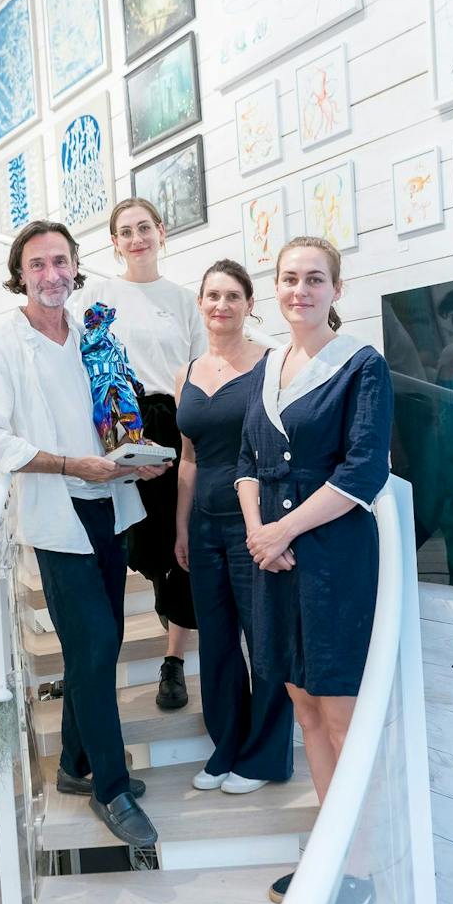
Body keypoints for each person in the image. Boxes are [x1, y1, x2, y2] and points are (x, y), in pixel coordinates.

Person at [0, 219, 166, 848]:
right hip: (61, 514)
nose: (51, 275)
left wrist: (138, 455)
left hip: (109, 502)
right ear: (20, 275)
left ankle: (77, 764)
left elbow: (115, 407)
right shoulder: (5, 345)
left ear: (76, 266)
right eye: (37, 266)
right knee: (97, 643)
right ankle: (111, 787)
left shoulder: (92, 333)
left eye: (60, 262)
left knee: (95, 647)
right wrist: (67, 464)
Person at [236, 236, 393, 904]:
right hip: (276, 558)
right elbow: (246, 460)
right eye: (289, 278)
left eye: (315, 279)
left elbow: (364, 473)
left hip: (330, 558)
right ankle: (330, 855)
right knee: (302, 705)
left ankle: (357, 871)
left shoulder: (361, 366)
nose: (300, 289)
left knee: (341, 717)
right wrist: (257, 533)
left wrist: (284, 531)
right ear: (276, 287)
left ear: (336, 288)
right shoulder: (271, 366)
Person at [72, 197, 207, 712]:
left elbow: (200, 366)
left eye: (144, 228)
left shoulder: (183, 299)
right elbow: (89, 362)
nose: (136, 239)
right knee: (143, 546)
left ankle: (173, 661)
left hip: (177, 421)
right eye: (125, 231)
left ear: (161, 232)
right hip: (124, 423)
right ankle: (158, 598)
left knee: (182, 539)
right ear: (114, 243)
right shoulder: (102, 296)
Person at [174, 260, 294, 795]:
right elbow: (189, 459)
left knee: (263, 638)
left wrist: (281, 526)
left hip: (256, 522)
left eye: (231, 296)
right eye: (211, 295)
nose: (220, 305)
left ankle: (264, 755)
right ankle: (225, 746)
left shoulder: (275, 365)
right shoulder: (187, 372)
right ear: (200, 304)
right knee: (217, 642)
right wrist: (180, 527)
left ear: (249, 305)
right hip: (203, 527)